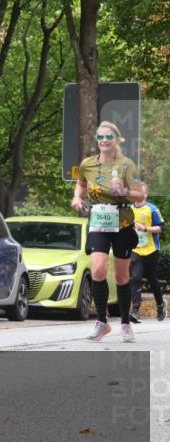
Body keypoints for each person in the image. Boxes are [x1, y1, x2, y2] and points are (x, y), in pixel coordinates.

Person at [71, 121, 144, 342]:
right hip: (98, 223)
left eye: (108, 137)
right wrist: (77, 197)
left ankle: (124, 323)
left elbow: (139, 195)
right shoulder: (87, 164)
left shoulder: (127, 165)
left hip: (122, 224)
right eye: (100, 137)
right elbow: (81, 184)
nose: (103, 140)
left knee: (122, 277)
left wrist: (123, 191)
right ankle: (102, 322)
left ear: (117, 140)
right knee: (98, 270)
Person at [129, 182, 165, 322]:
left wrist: (145, 229)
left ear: (145, 194)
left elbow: (162, 228)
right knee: (136, 278)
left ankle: (160, 304)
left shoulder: (152, 209)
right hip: (135, 249)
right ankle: (136, 311)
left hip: (151, 249)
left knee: (152, 280)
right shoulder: (129, 209)